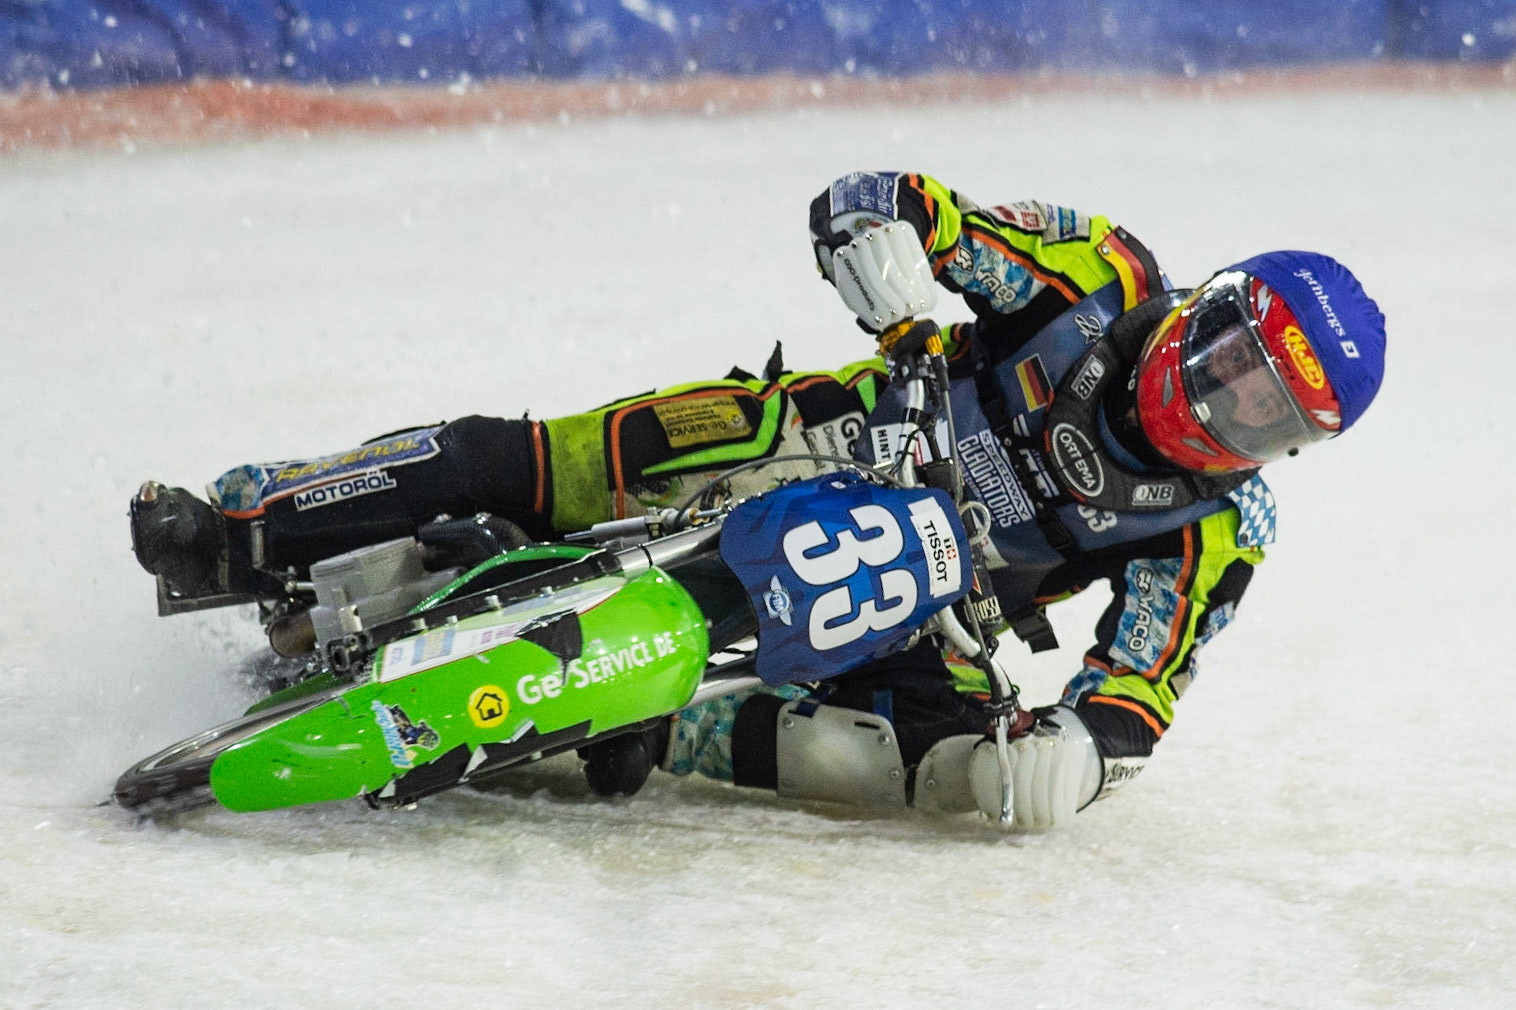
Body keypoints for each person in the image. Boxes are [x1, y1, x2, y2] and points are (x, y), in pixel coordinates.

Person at [129, 171, 1385, 827]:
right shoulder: (1100, 274)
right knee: (551, 456)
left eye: (1265, 411)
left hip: (917, 607)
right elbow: (906, 204)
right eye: (1230, 361)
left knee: (923, 768)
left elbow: (1139, 690)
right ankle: (249, 528)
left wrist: (1080, 754)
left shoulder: (1222, 526)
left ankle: (641, 730)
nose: (1222, 405)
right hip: (826, 431)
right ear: (1208, 311)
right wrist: (887, 260)